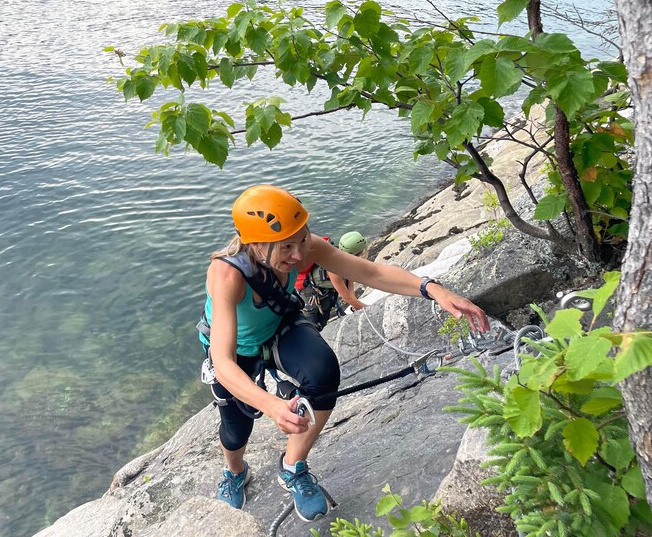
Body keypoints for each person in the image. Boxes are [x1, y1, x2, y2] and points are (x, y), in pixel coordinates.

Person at [197, 184, 489, 521]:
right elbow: (222, 361)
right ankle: (235, 473)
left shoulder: (305, 247)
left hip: (280, 326)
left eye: (301, 239)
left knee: (323, 373)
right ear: (256, 245)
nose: (297, 255)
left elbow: (370, 272)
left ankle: (292, 466)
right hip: (240, 349)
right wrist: (271, 405)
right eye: (286, 247)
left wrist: (432, 289)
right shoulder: (227, 274)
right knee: (236, 430)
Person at [295, 231, 368, 329]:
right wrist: (366, 308)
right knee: (312, 324)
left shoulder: (345, 260)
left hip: (324, 292)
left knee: (323, 318)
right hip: (311, 295)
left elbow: (349, 282)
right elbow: (346, 297)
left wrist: (356, 303)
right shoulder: (334, 267)